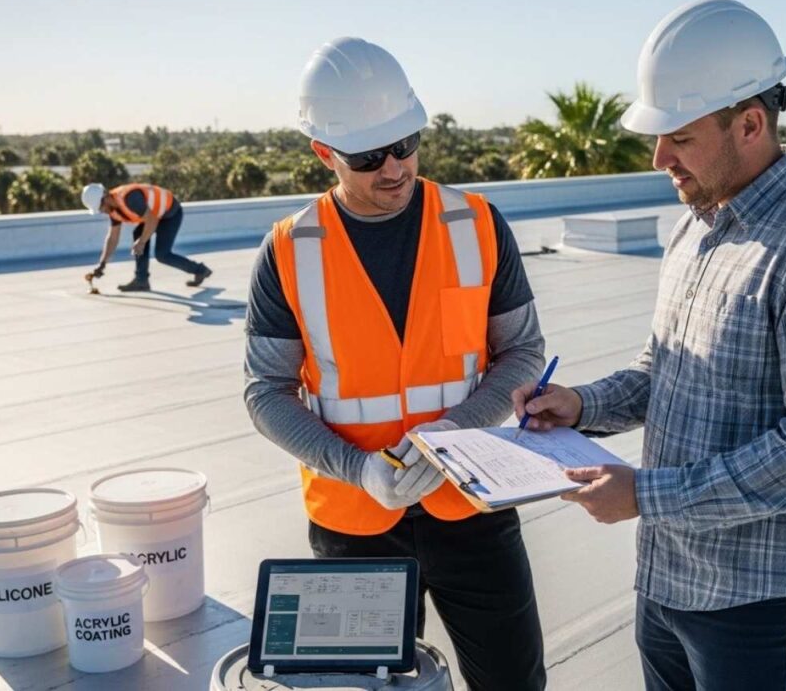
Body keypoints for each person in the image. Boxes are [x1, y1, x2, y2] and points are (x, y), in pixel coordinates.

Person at [512, 0, 786, 691]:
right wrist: (580, 404)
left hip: (759, 607)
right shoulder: (696, 224)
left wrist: (647, 495)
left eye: (679, 137)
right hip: (667, 583)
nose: (659, 158)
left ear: (750, 123)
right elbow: (666, 368)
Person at [243, 37, 547, 690]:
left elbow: (523, 351)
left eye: (406, 143)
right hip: (355, 522)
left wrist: (455, 428)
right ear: (324, 153)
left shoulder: (478, 222)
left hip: (472, 507)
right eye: (368, 155)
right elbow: (265, 391)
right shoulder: (289, 250)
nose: (394, 167)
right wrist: (358, 468)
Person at [80, 182, 212, 292]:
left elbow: (152, 220)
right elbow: (113, 237)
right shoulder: (113, 211)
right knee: (138, 234)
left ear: (106, 196)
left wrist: (142, 242)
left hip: (170, 213)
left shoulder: (130, 198)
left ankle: (200, 270)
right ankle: (141, 281)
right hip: (155, 215)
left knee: (162, 254)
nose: (102, 211)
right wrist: (102, 263)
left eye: (101, 207)